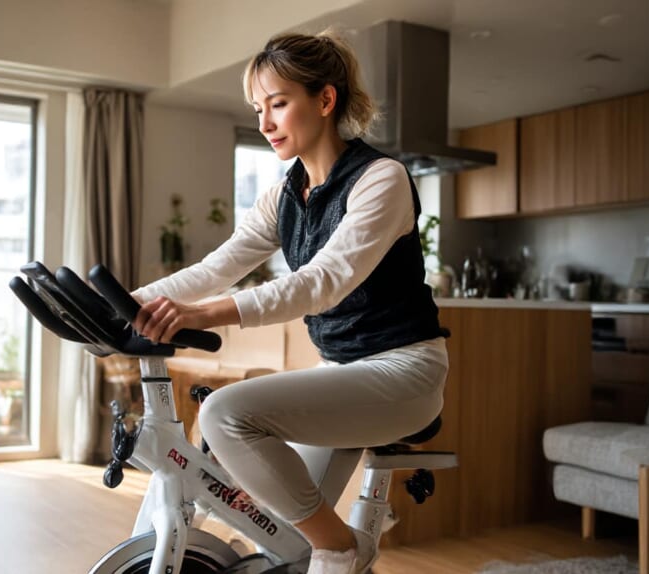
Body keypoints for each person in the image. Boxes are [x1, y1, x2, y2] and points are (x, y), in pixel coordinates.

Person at [131, 30, 449, 574]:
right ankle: (328, 549)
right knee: (282, 541)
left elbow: (324, 281)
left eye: (278, 104)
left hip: (405, 374)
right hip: (342, 372)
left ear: (325, 100)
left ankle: (341, 548)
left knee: (223, 415)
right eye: (258, 108)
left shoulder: (381, 180)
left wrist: (209, 314)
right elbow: (219, 267)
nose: (264, 122)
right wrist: (121, 302)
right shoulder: (287, 192)